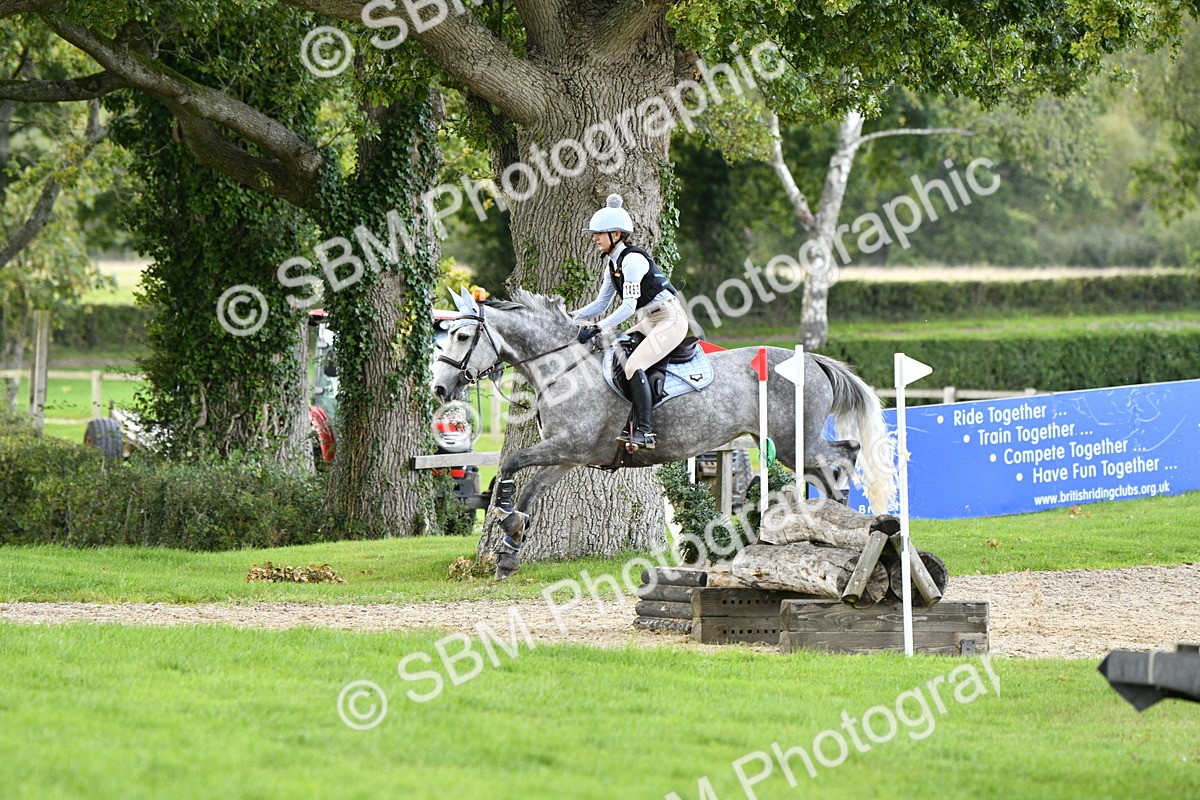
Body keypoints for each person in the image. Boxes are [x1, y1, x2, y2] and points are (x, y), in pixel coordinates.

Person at [571, 193, 688, 450]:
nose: (594, 238)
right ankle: (629, 420)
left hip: (670, 319)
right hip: (649, 320)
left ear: (616, 234)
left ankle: (645, 431)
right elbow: (600, 304)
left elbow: (628, 306)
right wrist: (571, 318)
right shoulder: (612, 264)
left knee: (634, 364)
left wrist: (599, 327)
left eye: (599, 234)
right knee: (615, 354)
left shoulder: (633, 260)